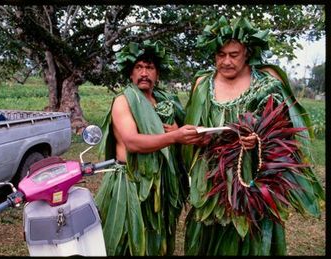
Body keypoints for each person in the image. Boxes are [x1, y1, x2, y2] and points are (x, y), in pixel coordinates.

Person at [182, 16, 324, 256]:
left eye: (233, 54)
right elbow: (194, 123)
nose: (226, 61)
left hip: (253, 175)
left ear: (246, 53)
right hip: (210, 178)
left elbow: (285, 128)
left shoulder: (266, 82)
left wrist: (259, 138)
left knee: (251, 236)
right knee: (210, 234)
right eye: (220, 54)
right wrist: (198, 137)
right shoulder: (202, 84)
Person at [94, 40, 203, 256]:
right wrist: (174, 136)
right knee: (130, 244)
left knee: (157, 239)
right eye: (139, 67)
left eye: (150, 68)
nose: (144, 73)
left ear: (158, 74)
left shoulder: (163, 100)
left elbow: (184, 129)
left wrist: (178, 129)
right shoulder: (124, 101)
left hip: (160, 185)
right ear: (131, 73)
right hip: (131, 184)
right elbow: (132, 142)